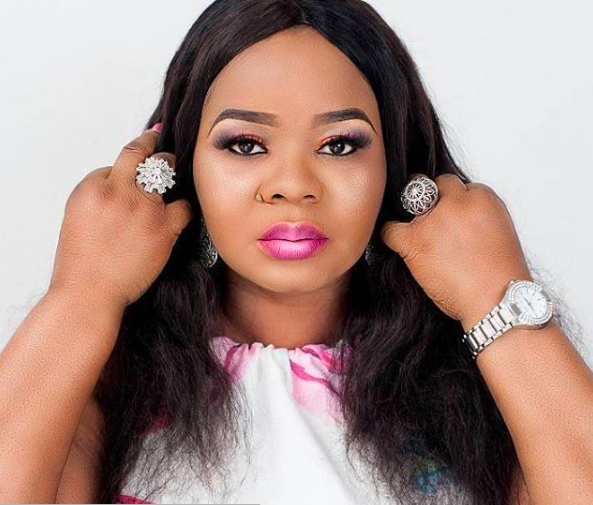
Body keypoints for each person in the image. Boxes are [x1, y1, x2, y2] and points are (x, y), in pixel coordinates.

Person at [1, 0, 592, 504]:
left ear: (395, 163)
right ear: (181, 163)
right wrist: (83, 293)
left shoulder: (479, 395)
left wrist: (494, 295)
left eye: (338, 145)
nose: (293, 185)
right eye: (246, 144)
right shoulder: (106, 391)